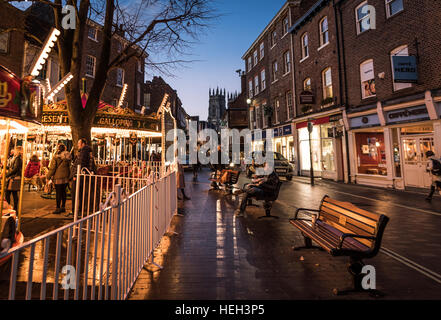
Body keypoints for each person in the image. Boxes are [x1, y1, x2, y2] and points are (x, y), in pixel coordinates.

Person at [67, 138, 92, 218]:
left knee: (75, 194)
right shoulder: (85, 152)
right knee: (79, 194)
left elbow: (80, 163)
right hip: (81, 175)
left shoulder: (83, 152)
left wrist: (75, 175)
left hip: (79, 176)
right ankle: (78, 210)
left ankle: (75, 211)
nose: (78, 145)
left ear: (83, 144)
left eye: (79, 143)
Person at [47, 144, 72, 214]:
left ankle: (58, 208)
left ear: (58, 149)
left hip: (58, 177)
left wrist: (48, 176)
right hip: (66, 177)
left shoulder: (56, 157)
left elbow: (52, 168)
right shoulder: (68, 157)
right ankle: (63, 207)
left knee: (58, 193)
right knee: (64, 192)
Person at [5, 146, 23, 211]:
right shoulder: (15, 158)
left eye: (15, 150)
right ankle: (13, 208)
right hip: (13, 177)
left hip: (14, 178)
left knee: (9, 193)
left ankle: (10, 207)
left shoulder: (18, 159)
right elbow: (12, 167)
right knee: (12, 193)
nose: (13, 151)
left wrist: (7, 175)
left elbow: (15, 169)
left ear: (17, 151)